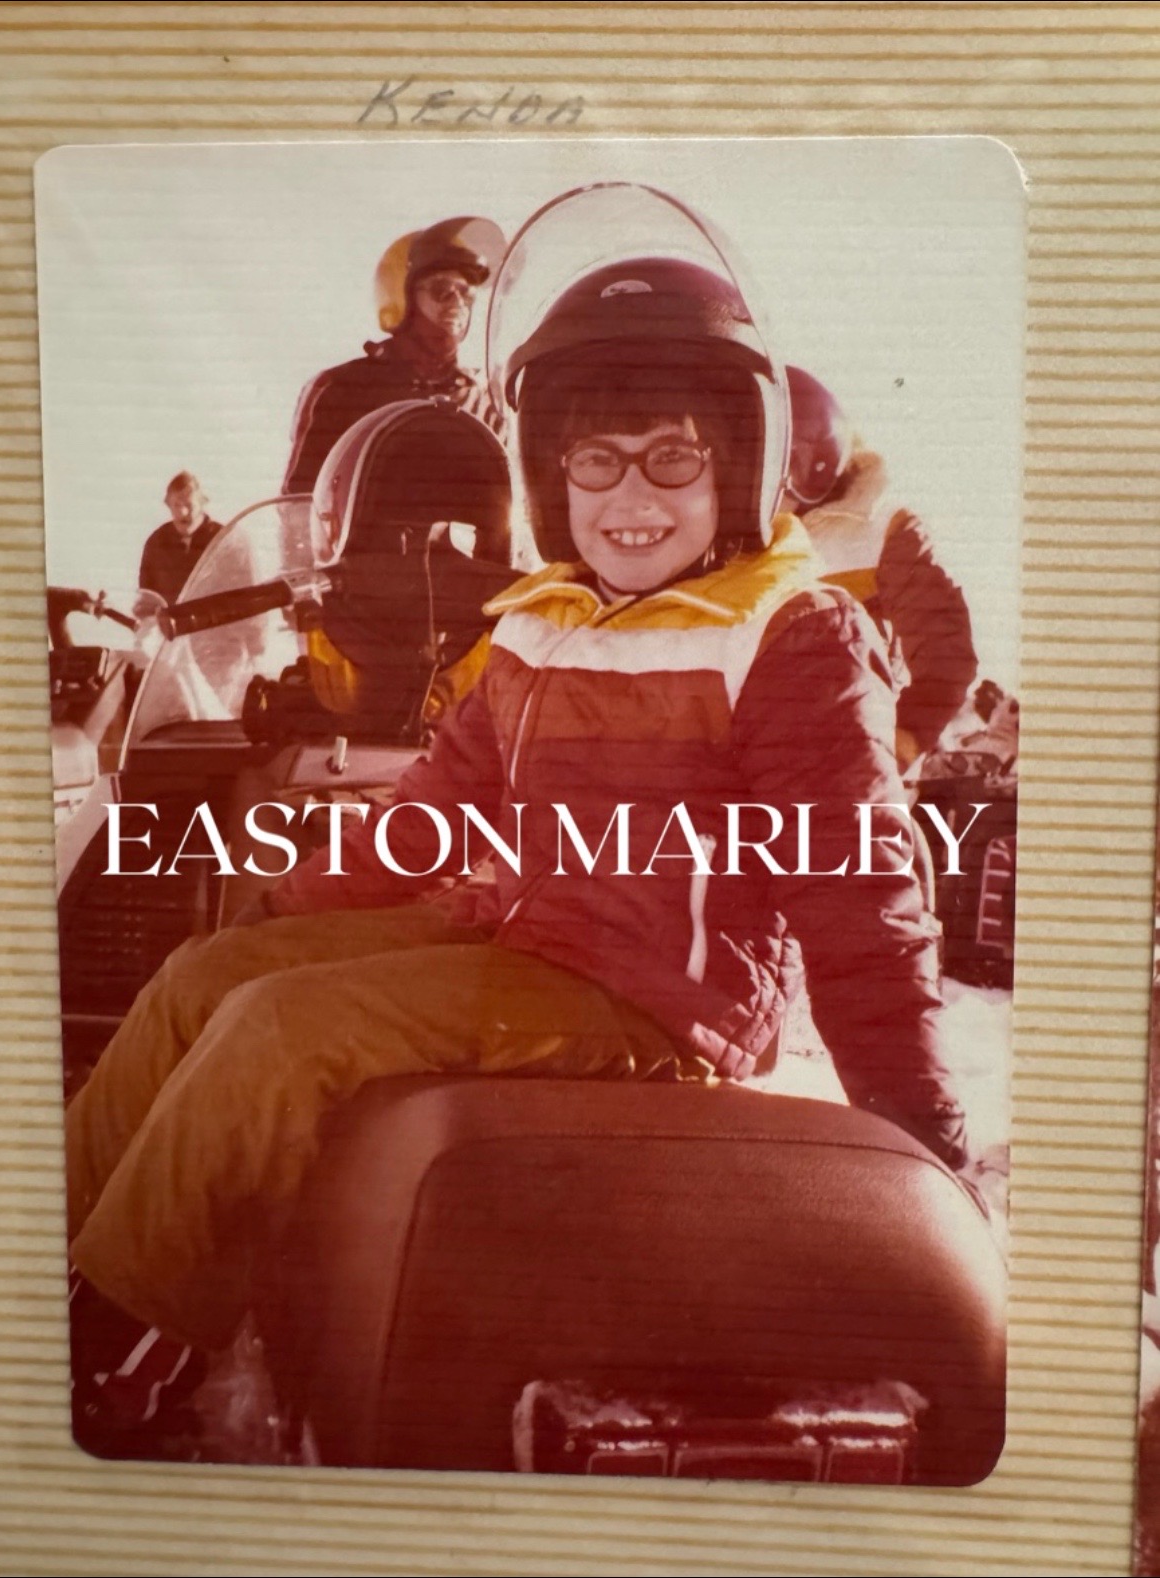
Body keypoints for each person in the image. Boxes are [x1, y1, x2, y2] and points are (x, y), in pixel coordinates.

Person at [64, 185, 973, 1430]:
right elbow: (441, 805)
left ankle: (118, 1348)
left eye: (671, 457)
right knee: (203, 979)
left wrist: (918, 1130)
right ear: (550, 473)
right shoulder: (545, 621)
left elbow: (859, 891)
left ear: (739, 461)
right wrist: (291, 897)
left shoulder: (788, 633)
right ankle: (42, 1259)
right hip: (526, 940)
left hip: (655, 1001)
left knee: (280, 1031)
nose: (629, 495)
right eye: (595, 460)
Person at [782, 366, 979, 773]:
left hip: (849, 768)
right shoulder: (722, 535)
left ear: (823, 456)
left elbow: (944, 654)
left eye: (790, 461)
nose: (773, 480)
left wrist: (898, 744)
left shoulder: (881, 527)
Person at [282, 216, 505, 495]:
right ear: (401, 296)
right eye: (442, 291)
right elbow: (300, 503)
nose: (458, 304)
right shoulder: (342, 388)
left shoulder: (485, 401)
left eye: (466, 295)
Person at [135, 471, 223, 612]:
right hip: (170, 624)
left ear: (201, 504)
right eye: (176, 505)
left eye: (189, 505)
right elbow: (147, 598)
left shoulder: (223, 539)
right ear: (169, 505)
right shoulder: (156, 543)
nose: (182, 512)